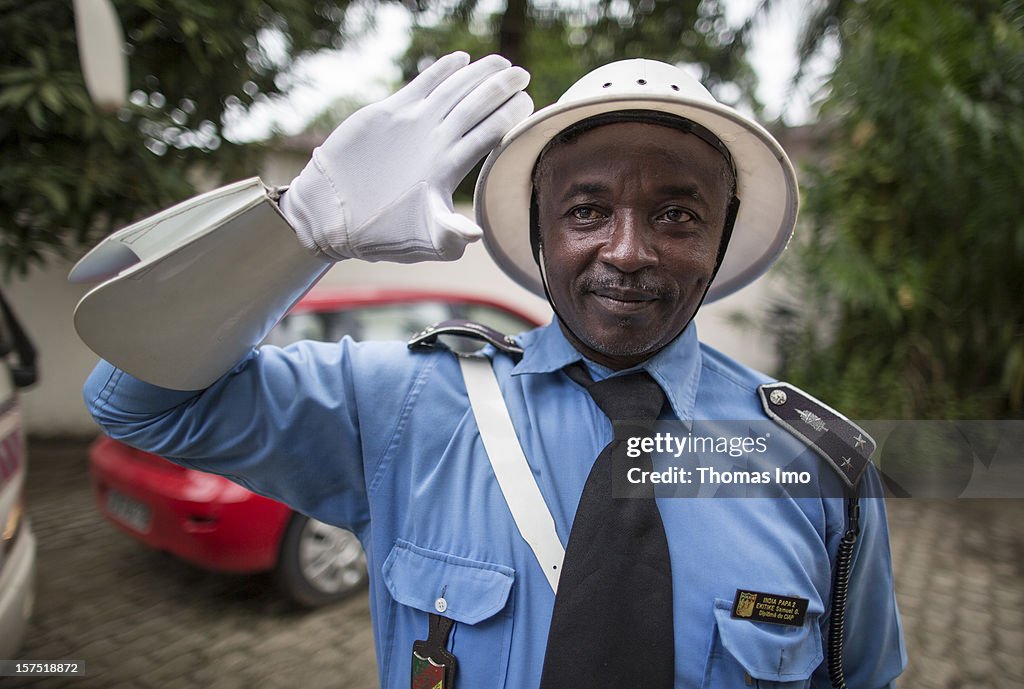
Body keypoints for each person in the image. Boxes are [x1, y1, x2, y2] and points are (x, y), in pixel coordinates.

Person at [79, 53, 907, 688]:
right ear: (541, 232)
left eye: (676, 213)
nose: (626, 249)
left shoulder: (821, 465)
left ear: (721, 239)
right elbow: (140, 400)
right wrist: (301, 228)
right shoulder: (408, 405)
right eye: (586, 210)